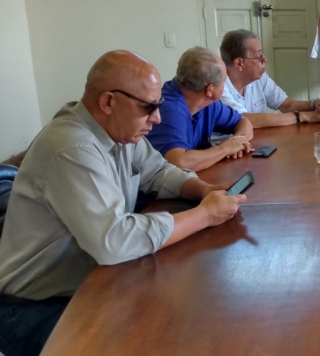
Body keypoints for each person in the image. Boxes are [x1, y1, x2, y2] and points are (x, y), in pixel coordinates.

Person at [0, 51, 246, 356]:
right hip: (35, 305)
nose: (157, 118)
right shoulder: (71, 147)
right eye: (149, 107)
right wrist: (205, 215)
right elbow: (114, 239)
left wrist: (204, 189)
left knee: (189, 312)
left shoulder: (117, 131)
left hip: (91, 281)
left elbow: (157, 171)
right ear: (108, 102)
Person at [146, 46, 254, 171]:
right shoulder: (170, 109)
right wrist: (226, 148)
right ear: (210, 89)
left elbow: (244, 122)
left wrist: (238, 141)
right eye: (224, 82)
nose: (225, 86)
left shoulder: (208, 103)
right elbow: (178, 163)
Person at [219, 29, 320, 127]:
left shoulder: (259, 78)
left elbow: (287, 105)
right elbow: (247, 120)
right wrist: (303, 116)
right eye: (259, 56)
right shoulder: (219, 87)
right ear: (239, 63)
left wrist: (314, 104)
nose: (265, 60)